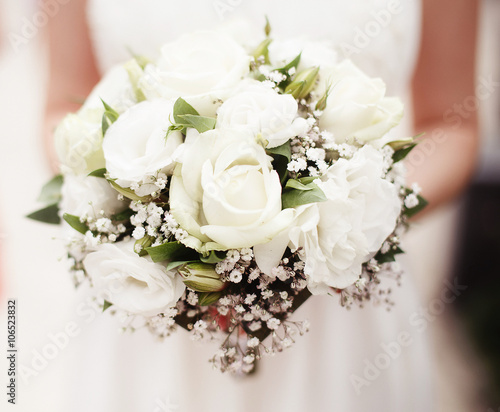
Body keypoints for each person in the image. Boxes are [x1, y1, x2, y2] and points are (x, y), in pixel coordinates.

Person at [42, 0, 479, 411]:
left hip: (342, 293)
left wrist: (348, 222)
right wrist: (153, 223)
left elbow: (453, 125)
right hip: (148, 294)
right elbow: (62, 108)